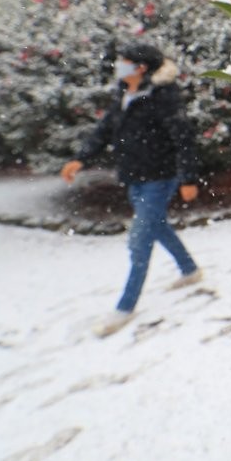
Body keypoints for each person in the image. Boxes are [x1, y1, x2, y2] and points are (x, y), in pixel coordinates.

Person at [62, 43, 203, 338]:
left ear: (140, 67)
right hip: (133, 177)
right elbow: (103, 130)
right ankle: (190, 270)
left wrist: (188, 178)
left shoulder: (163, 98)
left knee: (140, 240)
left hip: (159, 179)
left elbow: (184, 139)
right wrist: (81, 159)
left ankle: (124, 307)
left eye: (124, 61)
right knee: (158, 226)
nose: (119, 66)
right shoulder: (124, 95)